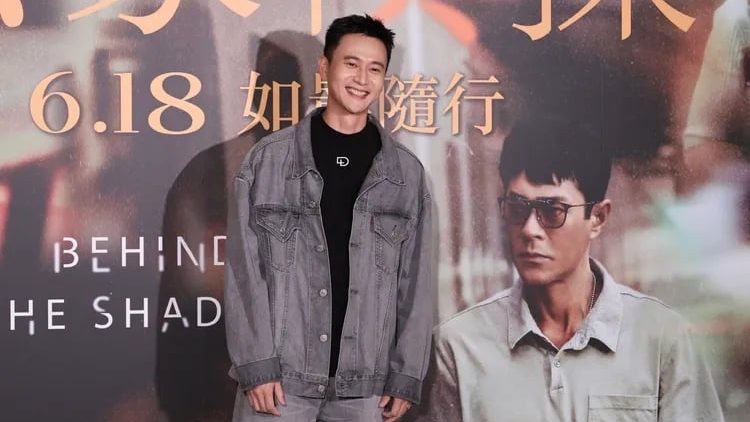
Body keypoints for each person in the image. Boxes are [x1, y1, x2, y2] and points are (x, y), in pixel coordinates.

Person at [417, 117, 723, 421]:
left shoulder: (662, 339)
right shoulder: (457, 347)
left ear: (598, 218)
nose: (530, 230)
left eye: (553, 211)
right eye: (517, 208)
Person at [224, 14, 434, 422]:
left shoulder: (406, 174)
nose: (362, 79)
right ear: (324, 67)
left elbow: (416, 283)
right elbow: (244, 271)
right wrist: (257, 365)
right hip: (280, 381)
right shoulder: (268, 161)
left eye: (375, 69)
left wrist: (406, 374)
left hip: (366, 388)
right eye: (351, 64)